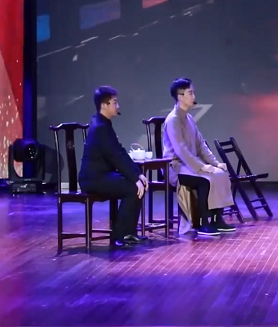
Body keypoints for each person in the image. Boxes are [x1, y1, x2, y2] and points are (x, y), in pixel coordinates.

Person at [163, 77, 236, 236]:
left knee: (220, 174)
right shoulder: (173, 119)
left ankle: (217, 219)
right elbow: (181, 150)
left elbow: (201, 145)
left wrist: (215, 163)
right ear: (180, 96)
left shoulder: (189, 119)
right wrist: (201, 167)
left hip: (190, 165)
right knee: (205, 180)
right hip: (176, 167)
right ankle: (203, 222)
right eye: (190, 93)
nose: (193, 96)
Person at [79, 86, 148, 248]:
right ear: (104, 105)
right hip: (93, 178)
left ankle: (129, 232)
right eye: (115, 103)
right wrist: (134, 178)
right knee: (132, 188)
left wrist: (138, 174)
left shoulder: (104, 123)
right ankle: (120, 235)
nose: (118, 106)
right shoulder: (100, 127)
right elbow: (115, 156)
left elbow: (119, 151)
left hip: (103, 175)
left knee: (138, 184)